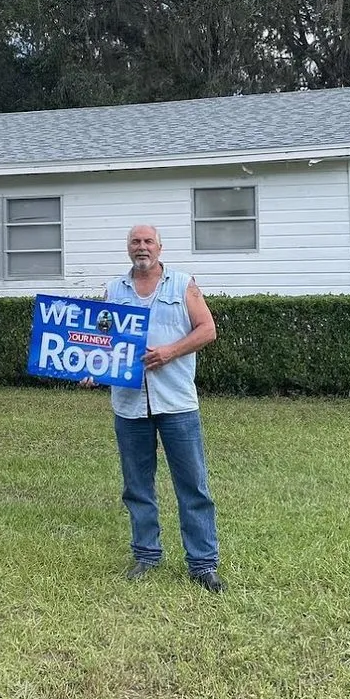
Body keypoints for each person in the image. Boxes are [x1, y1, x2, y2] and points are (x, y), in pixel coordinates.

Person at [85, 224, 224, 592]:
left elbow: (207, 329)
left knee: (193, 485)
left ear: (160, 247)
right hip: (129, 406)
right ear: (128, 248)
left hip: (176, 402)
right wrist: (90, 368)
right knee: (136, 486)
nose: (141, 247)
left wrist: (170, 352)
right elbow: (101, 340)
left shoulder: (181, 284)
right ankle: (146, 555)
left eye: (148, 241)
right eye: (135, 241)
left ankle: (202, 564)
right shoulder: (114, 290)